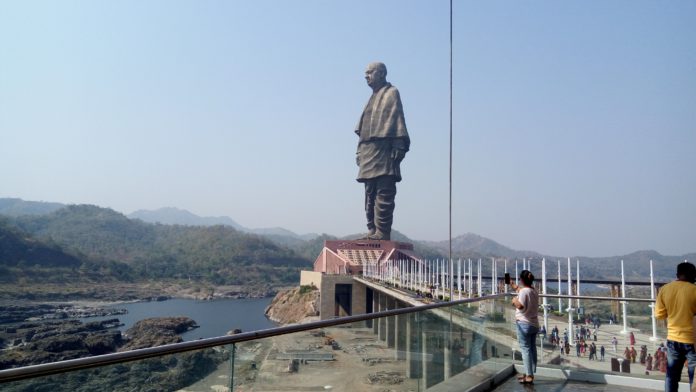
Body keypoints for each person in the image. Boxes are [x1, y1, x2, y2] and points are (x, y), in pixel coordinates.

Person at [354, 62, 410, 241]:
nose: (366, 76)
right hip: (368, 150)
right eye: (365, 73)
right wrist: (359, 152)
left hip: (384, 149)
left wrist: (399, 144)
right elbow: (362, 129)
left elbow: (397, 119)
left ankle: (382, 231)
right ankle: (372, 229)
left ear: (382, 73)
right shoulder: (372, 97)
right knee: (369, 193)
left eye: (370, 72)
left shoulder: (391, 93)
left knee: (384, 191)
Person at [655, 262, 696, 391]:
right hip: (692, 340)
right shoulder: (694, 290)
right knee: (693, 378)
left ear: (677, 274)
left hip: (673, 339)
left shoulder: (665, 289)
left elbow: (659, 315)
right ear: (692, 275)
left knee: (671, 376)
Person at [511, 270, 539, 384]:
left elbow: (521, 306)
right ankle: (531, 371)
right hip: (534, 324)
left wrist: (514, 301)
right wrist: (514, 286)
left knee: (525, 350)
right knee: (532, 348)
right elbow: (523, 292)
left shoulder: (523, 292)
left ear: (522, 280)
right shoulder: (534, 291)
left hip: (524, 324)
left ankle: (529, 375)